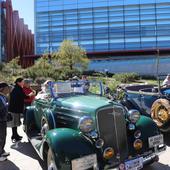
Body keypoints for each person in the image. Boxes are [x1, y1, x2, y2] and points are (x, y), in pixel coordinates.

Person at [8, 78, 35, 143]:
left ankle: (15, 135)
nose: (23, 83)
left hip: (15, 108)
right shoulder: (17, 89)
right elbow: (25, 97)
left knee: (16, 123)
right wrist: (31, 94)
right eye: (22, 82)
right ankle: (14, 136)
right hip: (14, 109)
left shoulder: (17, 88)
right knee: (14, 123)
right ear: (18, 82)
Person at [0, 82, 10, 161]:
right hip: (0, 120)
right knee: (0, 137)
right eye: (7, 88)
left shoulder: (3, 96)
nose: (8, 89)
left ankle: (2, 151)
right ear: (1, 89)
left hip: (3, 120)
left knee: (3, 136)